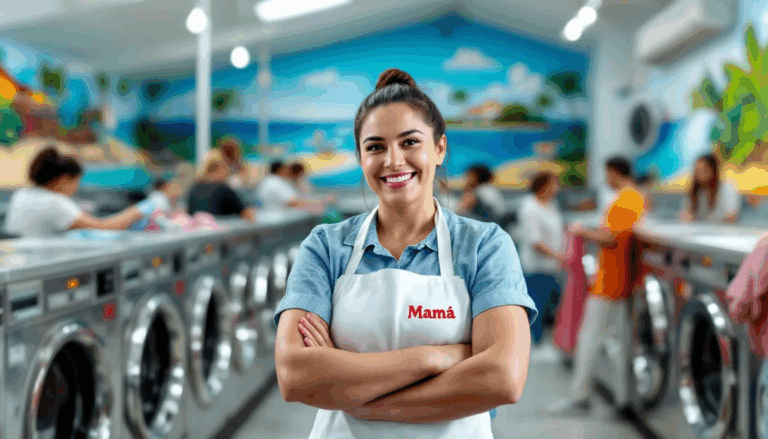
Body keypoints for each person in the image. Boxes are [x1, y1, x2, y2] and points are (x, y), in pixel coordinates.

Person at [273, 68, 536, 437]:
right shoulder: (326, 247)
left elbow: (502, 378)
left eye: (410, 142)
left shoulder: (483, 245)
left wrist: (355, 388)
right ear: (361, 158)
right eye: (375, 146)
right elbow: (296, 376)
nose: (393, 161)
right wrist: (436, 357)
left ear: (439, 148)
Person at [547, 156, 647, 416]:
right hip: (618, 281)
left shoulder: (627, 200)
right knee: (618, 343)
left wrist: (581, 232)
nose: (605, 180)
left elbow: (610, 237)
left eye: (607, 174)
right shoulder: (631, 199)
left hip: (611, 284)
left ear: (615, 172)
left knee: (590, 339)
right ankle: (624, 398)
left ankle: (580, 396)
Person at [4, 147, 165, 237]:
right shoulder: (54, 203)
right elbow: (105, 227)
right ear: (64, 179)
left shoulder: (22, 195)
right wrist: (146, 207)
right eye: (76, 182)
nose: (76, 188)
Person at [518, 172, 566, 344]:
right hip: (536, 266)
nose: (557, 188)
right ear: (542, 186)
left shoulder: (551, 204)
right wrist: (558, 255)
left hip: (553, 266)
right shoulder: (529, 206)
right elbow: (535, 241)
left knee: (551, 305)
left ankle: (543, 341)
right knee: (536, 308)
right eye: (554, 184)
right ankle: (532, 343)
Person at [187, 149, 257, 221]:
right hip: (220, 230)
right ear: (220, 168)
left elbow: (189, 213)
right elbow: (248, 214)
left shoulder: (194, 188)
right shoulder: (223, 189)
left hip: (200, 231)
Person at [680, 153, 741, 223]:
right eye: (697, 171)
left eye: (703, 170)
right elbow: (685, 214)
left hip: (722, 232)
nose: (699, 175)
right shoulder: (695, 191)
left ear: (713, 170)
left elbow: (732, 216)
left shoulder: (727, 188)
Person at [257, 160, 333, 213]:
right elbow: (292, 202)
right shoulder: (276, 182)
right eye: (286, 169)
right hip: (279, 218)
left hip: (274, 214)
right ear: (280, 169)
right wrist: (319, 204)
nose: (288, 172)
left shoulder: (268, 181)